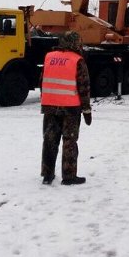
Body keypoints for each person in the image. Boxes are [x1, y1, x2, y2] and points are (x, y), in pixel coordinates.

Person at [40, 31, 92, 185]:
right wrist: (87, 110)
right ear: (75, 43)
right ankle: (68, 176)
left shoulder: (49, 57)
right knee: (69, 141)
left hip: (49, 106)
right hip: (70, 108)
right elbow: (84, 88)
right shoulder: (77, 60)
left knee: (49, 140)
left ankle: (47, 174)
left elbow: (41, 81)